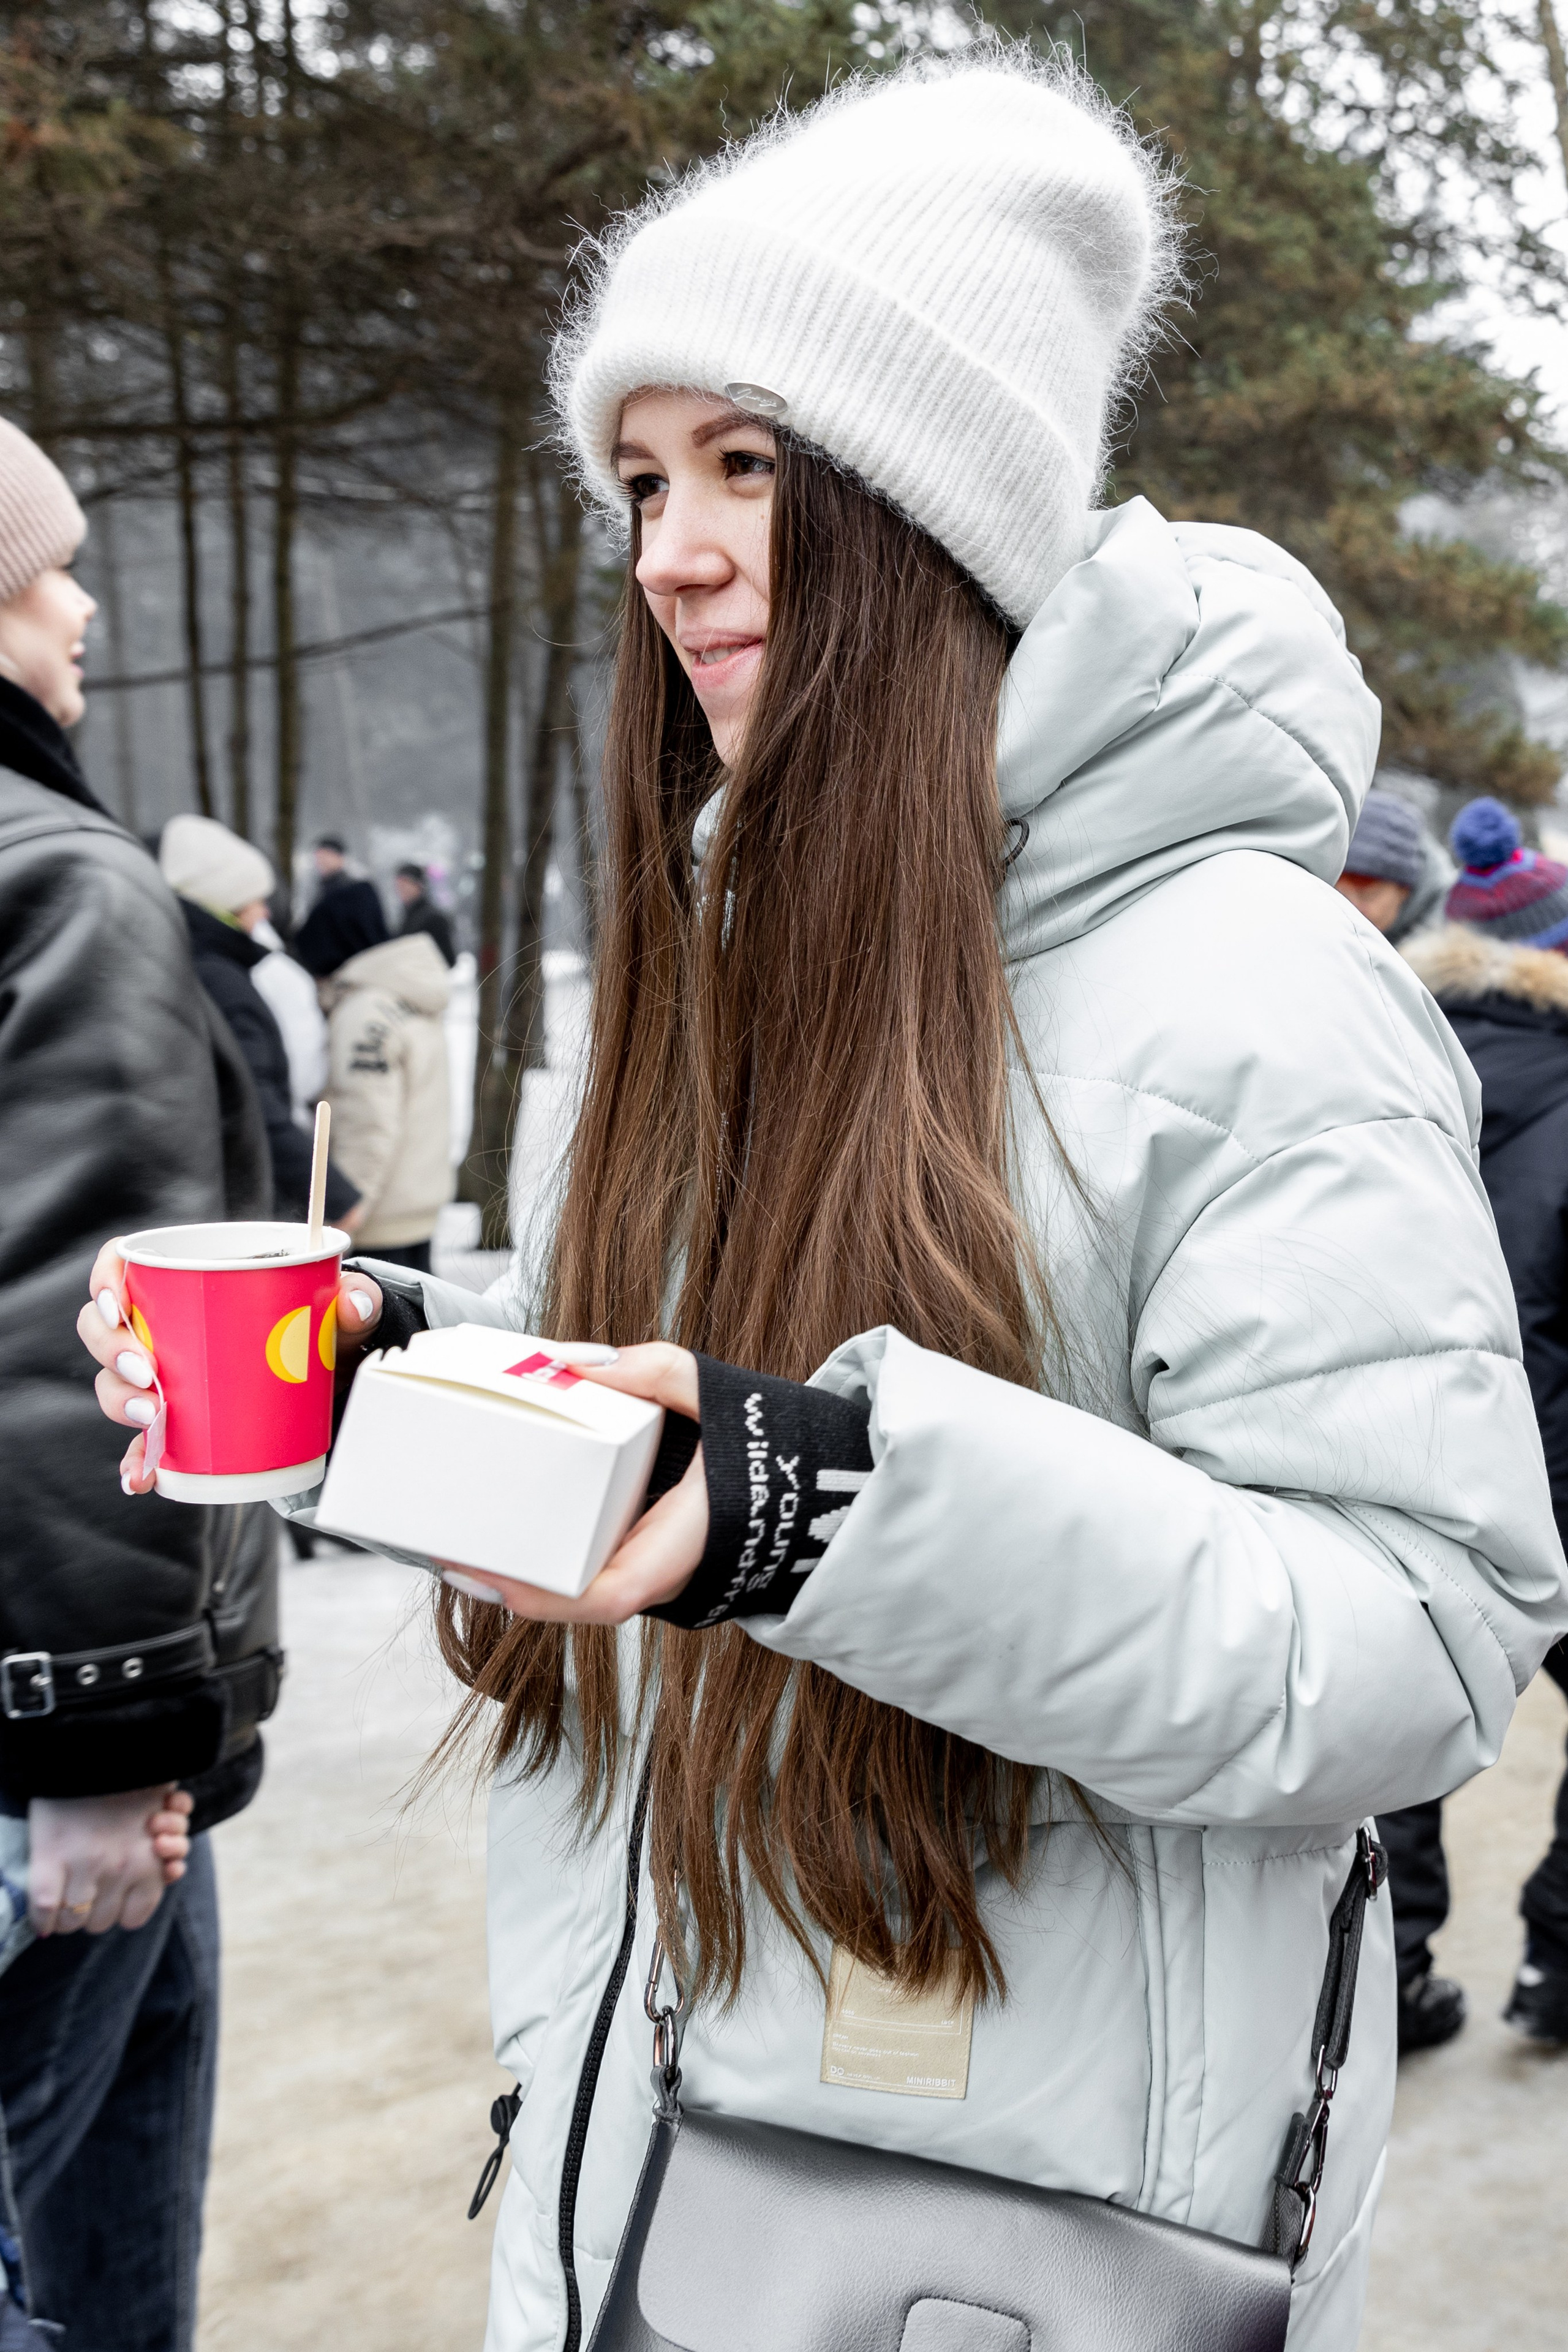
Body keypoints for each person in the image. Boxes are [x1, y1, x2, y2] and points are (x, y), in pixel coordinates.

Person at [84, 53, 1567, 2352]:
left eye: (745, 465)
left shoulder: (1249, 985)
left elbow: (1425, 1632)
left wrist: (833, 1508)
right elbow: (669, 1448)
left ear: (931, 509)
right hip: (642, 2173)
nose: (664, 549)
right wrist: (386, 1378)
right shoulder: (721, 955)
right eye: (641, 479)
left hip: (1007, 2251)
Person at [0, 417, 281, 2347]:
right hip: (61, 1772)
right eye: (41, 569)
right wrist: (102, 1732)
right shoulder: (60, 880)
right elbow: (78, 1320)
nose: (81, 602)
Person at [1378, 796, 1568, 2050]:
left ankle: (1389, 1978)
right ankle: (1557, 1964)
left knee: (1395, 1722)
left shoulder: (1385, 1065)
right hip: (1556, 1473)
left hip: (1401, 1462)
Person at [159, 813, 360, 1231]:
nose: (265, 911)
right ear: (225, 904)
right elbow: (254, 1102)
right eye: (254, 900)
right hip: (233, 1198)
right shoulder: (220, 983)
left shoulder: (187, 966)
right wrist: (335, 1198)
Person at [316, 899, 453, 1274]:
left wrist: (346, 1207)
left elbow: (367, 1121)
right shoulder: (407, 996)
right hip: (414, 1201)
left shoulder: (365, 1014)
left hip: (376, 1218)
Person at [1334, 785, 1453, 943]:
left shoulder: (1449, 939)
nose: (1353, 910)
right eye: (1342, 895)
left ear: (1404, 891)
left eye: (1368, 895)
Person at [290, 831, 388, 979]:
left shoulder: (353, 891)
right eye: (318, 857)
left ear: (339, 857)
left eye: (325, 856)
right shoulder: (323, 887)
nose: (320, 862)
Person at [393, 860, 457, 965]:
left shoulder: (434, 918)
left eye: (406, 884)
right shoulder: (407, 916)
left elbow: (448, 959)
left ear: (419, 885)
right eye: (399, 885)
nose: (401, 890)